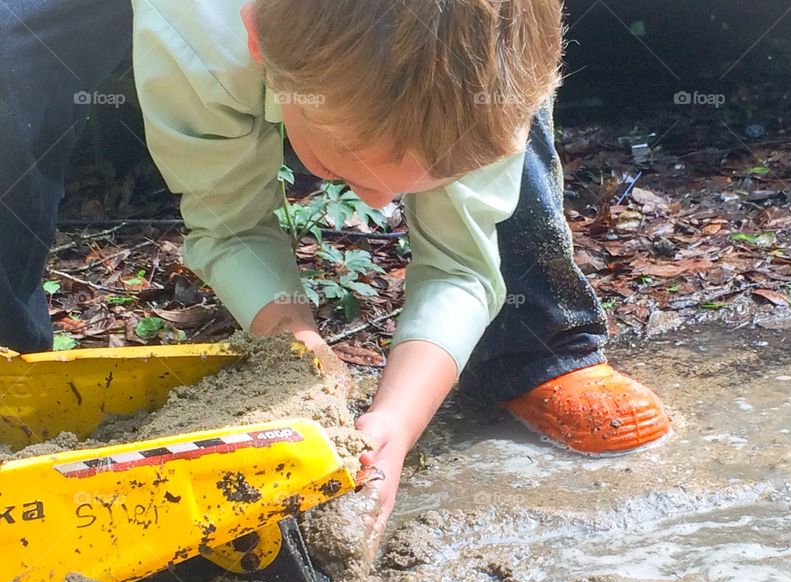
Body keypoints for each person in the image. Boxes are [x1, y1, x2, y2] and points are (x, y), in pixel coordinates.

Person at [0, 0, 670, 538]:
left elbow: (463, 260)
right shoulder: (197, 29)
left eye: (418, 183)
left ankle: (539, 348)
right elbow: (229, 222)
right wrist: (295, 344)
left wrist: (398, 423)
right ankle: (13, 385)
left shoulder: (498, 85)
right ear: (260, 43)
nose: (380, 205)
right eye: (350, 171)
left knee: (482, 75)